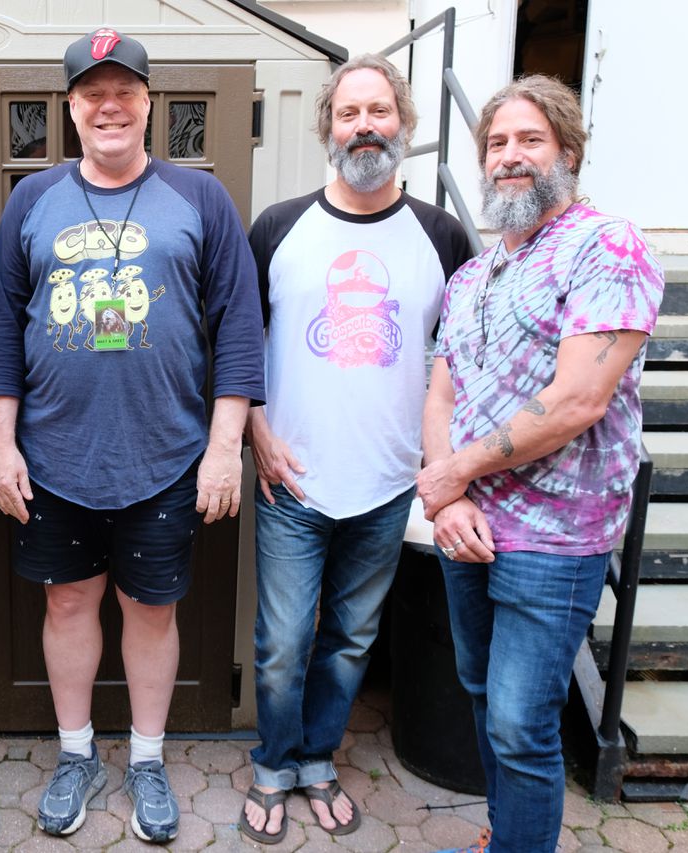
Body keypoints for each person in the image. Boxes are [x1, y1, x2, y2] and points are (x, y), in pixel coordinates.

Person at [0, 27, 264, 844]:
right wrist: (3, 444)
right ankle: (76, 754)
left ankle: (145, 757)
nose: (109, 106)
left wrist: (224, 448)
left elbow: (239, 328)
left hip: (167, 456)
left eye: (124, 92)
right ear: (71, 108)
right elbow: (2, 333)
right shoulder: (32, 201)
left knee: (151, 609)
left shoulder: (200, 198)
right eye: (92, 93)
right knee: (67, 601)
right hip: (54, 456)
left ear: (147, 103)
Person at [417, 75, 663, 853]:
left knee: (522, 725)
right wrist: (448, 493)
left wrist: (455, 472)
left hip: (555, 539)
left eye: (530, 139)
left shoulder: (606, 247)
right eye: (496, 143)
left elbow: (577, 399)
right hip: (468, 527)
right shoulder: (474, 273)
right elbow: (442, 390)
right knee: (484, 698)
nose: (510, 156)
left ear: (569, 152)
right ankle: (505, 838)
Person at [239, 55, 472, 844]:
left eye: (379, 111)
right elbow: (239, 344)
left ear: (403, 123)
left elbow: (460, 358)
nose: (364, 126)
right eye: (349, 113)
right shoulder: (278, 227)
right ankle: (273, 763)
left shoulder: (442, 236)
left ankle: (315, 758)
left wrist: (441, 463)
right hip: (292, 480)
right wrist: (256, 432)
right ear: (328, 129)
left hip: (388, 483)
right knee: (282, 644)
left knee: (350, 641)